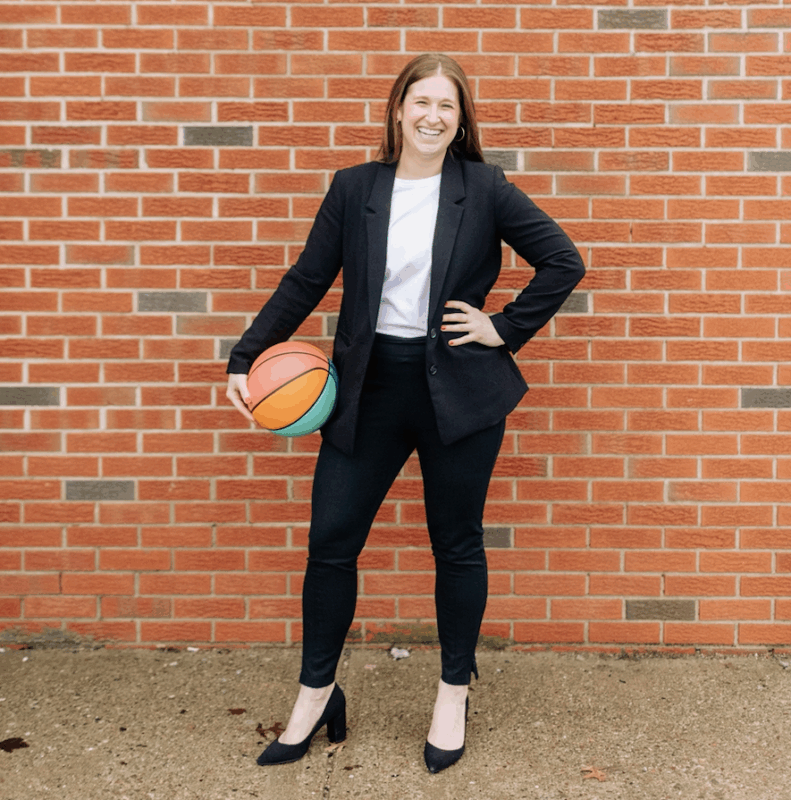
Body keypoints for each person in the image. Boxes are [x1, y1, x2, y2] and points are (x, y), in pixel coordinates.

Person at [226, 52, 585, 773]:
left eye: (446, 106)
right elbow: (306, 278)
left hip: (459, 391)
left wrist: (503, 327)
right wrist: (245, 356)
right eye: (419, 101)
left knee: (455, 543)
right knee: (330, 541)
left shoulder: (483, 188)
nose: (431, 116)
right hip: (368, 391)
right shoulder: (355, 187)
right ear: (397, 111)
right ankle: (315, 693)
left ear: (460, 120)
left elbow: (563, 261)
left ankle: (452, 694)